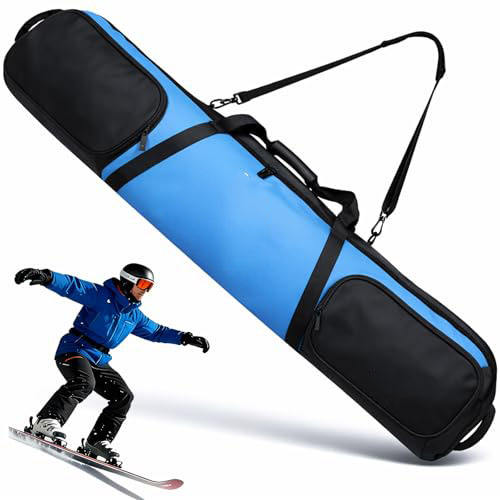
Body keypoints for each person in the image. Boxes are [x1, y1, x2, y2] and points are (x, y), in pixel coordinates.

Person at [14, 263, 209, 462]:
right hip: (75, 348)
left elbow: (157, 332)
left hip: (99, 359)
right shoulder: (101, 296)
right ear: (128, 282)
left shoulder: (133, 315)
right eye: (143, 284)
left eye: (150, 286)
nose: (145, 290)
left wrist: (185, 338)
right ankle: (47, 420)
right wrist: (47, 277)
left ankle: (97, 441)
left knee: (123, 396)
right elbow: (73, 286)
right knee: (84, 382)